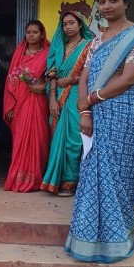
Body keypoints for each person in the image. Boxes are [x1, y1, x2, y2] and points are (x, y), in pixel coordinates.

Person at [65, 0, 134, 263]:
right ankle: (87, 241)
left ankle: (115, 242)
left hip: (125, 112)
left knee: (118, 174)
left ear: (126, 3)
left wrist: (92, 98)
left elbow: (129, 78)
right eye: (103, 2)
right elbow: (84, 78)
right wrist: (85, 111)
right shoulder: (96, 41)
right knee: (93, 172)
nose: (107, 6)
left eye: (113, 1)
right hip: (95, 111)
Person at [40, 12, 94, 196]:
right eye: (64, 24)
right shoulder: (58, 46)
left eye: (72, 23)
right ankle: (57, 181)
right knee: (57, 138)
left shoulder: (89, 45)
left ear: (80, 25)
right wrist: (52, 98)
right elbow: (52, 74)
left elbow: (93, 73)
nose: (68, 27)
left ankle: (72, 182)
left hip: (78, 95)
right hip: (58, 96)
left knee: (75, 139)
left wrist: (71, 79)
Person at [3, 20, 50, 193]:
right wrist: (9, 106)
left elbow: (54, 76)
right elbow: (10, 80)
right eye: (28, 32)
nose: (31, 35)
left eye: (35, 32)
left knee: (39, 139)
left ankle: (36, 179)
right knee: (20, 140)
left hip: (38, 101)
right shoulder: (19, 52)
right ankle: (18, 178)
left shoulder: (48, 53)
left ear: (42, 34)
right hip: (20, 103)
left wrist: (43, 86)